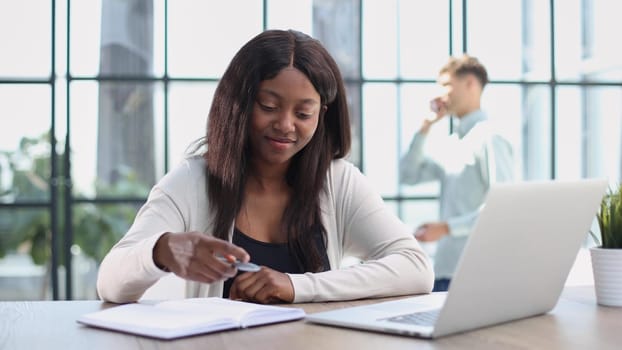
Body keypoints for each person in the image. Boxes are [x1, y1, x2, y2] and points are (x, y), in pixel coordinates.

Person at [97, 29, 434, 304]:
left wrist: (295, 286)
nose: (286, 125)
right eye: (269, 106)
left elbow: (416, 268)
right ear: (238, 104)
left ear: (321, 116)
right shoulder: (192, 181)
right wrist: (162, 249)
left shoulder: (338, 181)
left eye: (303, 113)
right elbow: (109, 283)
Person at [399, 54, 514, 292]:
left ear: (470, 84)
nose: (440, 95)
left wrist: (447, 228)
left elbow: (503, 207)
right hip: (443, 270)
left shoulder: (490, 138)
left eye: (446, 86)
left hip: (476, 272)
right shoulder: (451, 144)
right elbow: (408, 175)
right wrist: (426, 126)